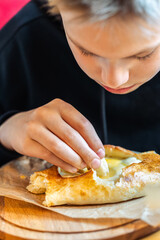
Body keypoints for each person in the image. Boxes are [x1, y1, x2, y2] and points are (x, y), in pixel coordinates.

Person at [0, 0, 160, 172]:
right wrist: (6, 131)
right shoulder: (22, 38)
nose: (114, 80)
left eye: (144, 55)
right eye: (87, 51)